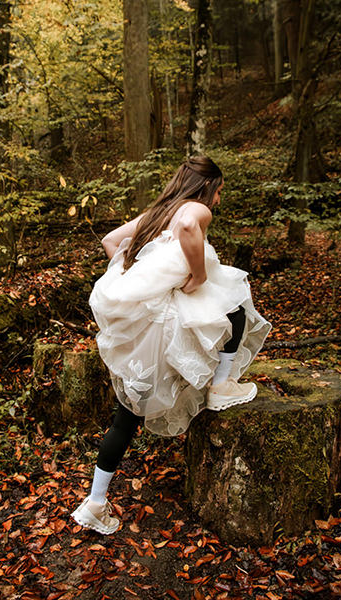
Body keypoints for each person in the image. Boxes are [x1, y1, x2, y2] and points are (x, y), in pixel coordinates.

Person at [71, 156, 272, 534]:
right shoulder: (192, 208)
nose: (217, 201)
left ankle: (95, 503)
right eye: (218, 192)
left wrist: (143, 284)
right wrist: (196, 276)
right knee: (235, 302)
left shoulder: (156, 211)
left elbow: (110, 241)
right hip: (168, 322)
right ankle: (220, 385)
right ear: (206, 187)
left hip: (146, 326)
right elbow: (187, 224)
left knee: (127, 416)